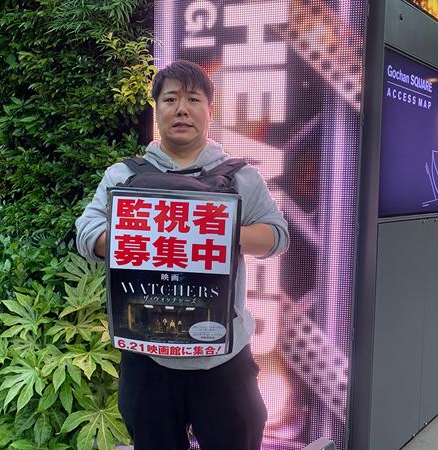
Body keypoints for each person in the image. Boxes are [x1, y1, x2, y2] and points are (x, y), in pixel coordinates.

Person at [75, 60, 289, 450]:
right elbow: (87, 233)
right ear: (156, 109)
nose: (181, 109)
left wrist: (218, 232)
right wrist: (144, 238)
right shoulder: (123, 176)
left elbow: (277, 235)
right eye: (170, 99)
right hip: (147, 357)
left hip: (223, 357)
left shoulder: (241, 177)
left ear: (210, 109)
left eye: (193, 99)